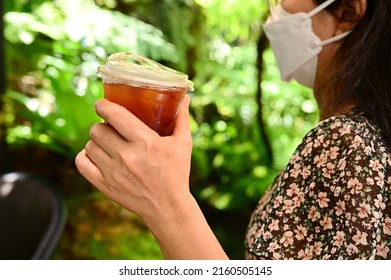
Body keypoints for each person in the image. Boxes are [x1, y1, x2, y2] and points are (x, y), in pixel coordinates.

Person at [75, 0, 391, 260]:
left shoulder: (346, 141)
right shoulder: (368, 134)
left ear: (348, 11)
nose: (276, 9)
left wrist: (167, 203)